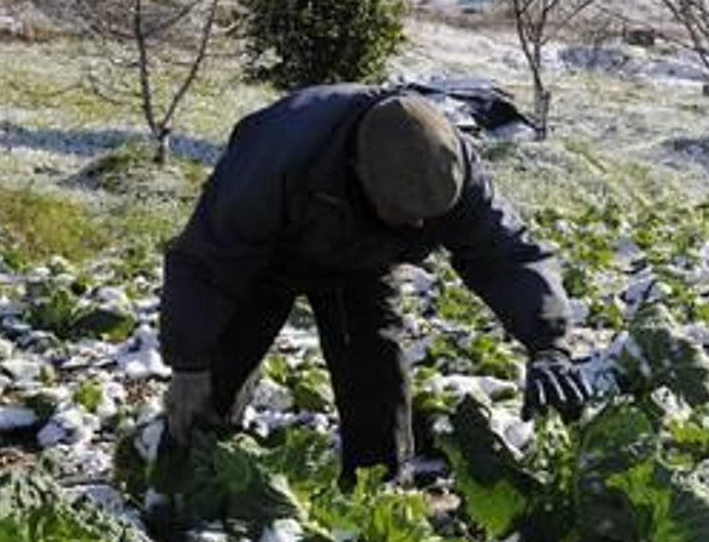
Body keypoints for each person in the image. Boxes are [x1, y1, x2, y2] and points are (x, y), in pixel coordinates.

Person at [158, 84, 589, 478]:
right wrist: (189, 362)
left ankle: (374, 492)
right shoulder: (275, 160)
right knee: (213, 380)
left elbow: (507, 255)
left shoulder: (449, 164)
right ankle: (181, 487)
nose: (419, 224)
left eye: (428, 218)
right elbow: (206, 262)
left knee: (376, 375)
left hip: (363, 259)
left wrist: (548, 344)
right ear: (359, 171)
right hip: (265, 256)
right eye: (404, 212)